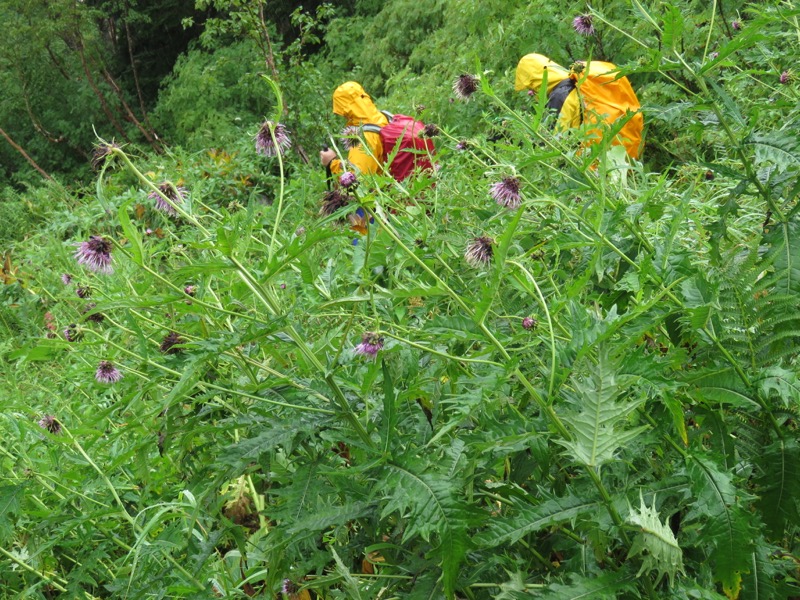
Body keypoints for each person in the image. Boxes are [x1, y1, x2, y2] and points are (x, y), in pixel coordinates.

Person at [514, 53, 644, 159]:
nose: (533, 92)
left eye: (531, 87)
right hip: (622, 153)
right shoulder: (577, 83)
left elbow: (554, 141)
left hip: (593, 165)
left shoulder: (561, 96)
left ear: (535, 80)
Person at [320, 81, 390, 176]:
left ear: (347, 112)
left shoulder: (364, 138)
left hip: (388, 189)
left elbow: (357, 180)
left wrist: (332, 163)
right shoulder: (385, 117)